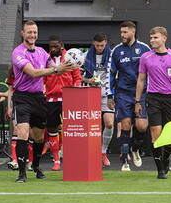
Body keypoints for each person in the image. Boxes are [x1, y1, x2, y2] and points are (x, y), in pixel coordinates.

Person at [10, 21, 78, 182]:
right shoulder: (18, 52)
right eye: (29, 32)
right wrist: (56, 69)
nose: (32, 35)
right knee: (23, 132)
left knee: (39, 137)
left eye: (34, 32)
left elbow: (56, 69)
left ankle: (36, 165)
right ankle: (22, 173)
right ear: (22, 33)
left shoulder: (42, 52)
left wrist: (70, 64)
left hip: (40, 98)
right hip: (22, 97)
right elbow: (33, 73)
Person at [135, 26, 171, 179]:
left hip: (170, 99)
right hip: (152, 98)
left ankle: (166, 158)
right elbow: (141, 80)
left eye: (156, 38)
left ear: (164, 38)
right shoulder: (145, 57)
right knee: (156, 133)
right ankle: (160, 170)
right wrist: (137, 101)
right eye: (151, 38)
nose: (152, 40)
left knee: (170, 138)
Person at [109, 21, 151, 171]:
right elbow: (111, 74)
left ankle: (135, 148)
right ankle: (125, 160)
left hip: (142, 93)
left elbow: (150, 72)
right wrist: (110, 94)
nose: (122, 35)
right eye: (121, 32)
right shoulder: (116, 50)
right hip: (123, 93)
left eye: (125, 32)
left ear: (133, 32)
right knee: (125, 124)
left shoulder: (145, 49)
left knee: (142, 126)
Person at [43, 37, 84, 171]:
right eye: (51, 47)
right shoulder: (45, 58)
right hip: (51, 99)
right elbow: (43, 77)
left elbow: (77, 76)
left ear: (62, 45)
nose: (53, 49)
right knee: (53, 129)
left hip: (68, 98)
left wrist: (76, 89)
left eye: (55, 46)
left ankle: (72, 158)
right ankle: (56, 161)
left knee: (71, 129)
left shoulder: (70, 57)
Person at [81, 33, 115, 166]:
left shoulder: (112, 55)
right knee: (90, 126)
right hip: (90, 92)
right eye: (97, 45)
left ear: (106, 42)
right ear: (93, 43)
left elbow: (116, 73)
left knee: (109, 124)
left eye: (102, 45)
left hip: (107, 93)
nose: (100, 47)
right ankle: (91, 153)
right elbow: (77, 75)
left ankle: (103, 152)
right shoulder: (86, 56)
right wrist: (88, 80)